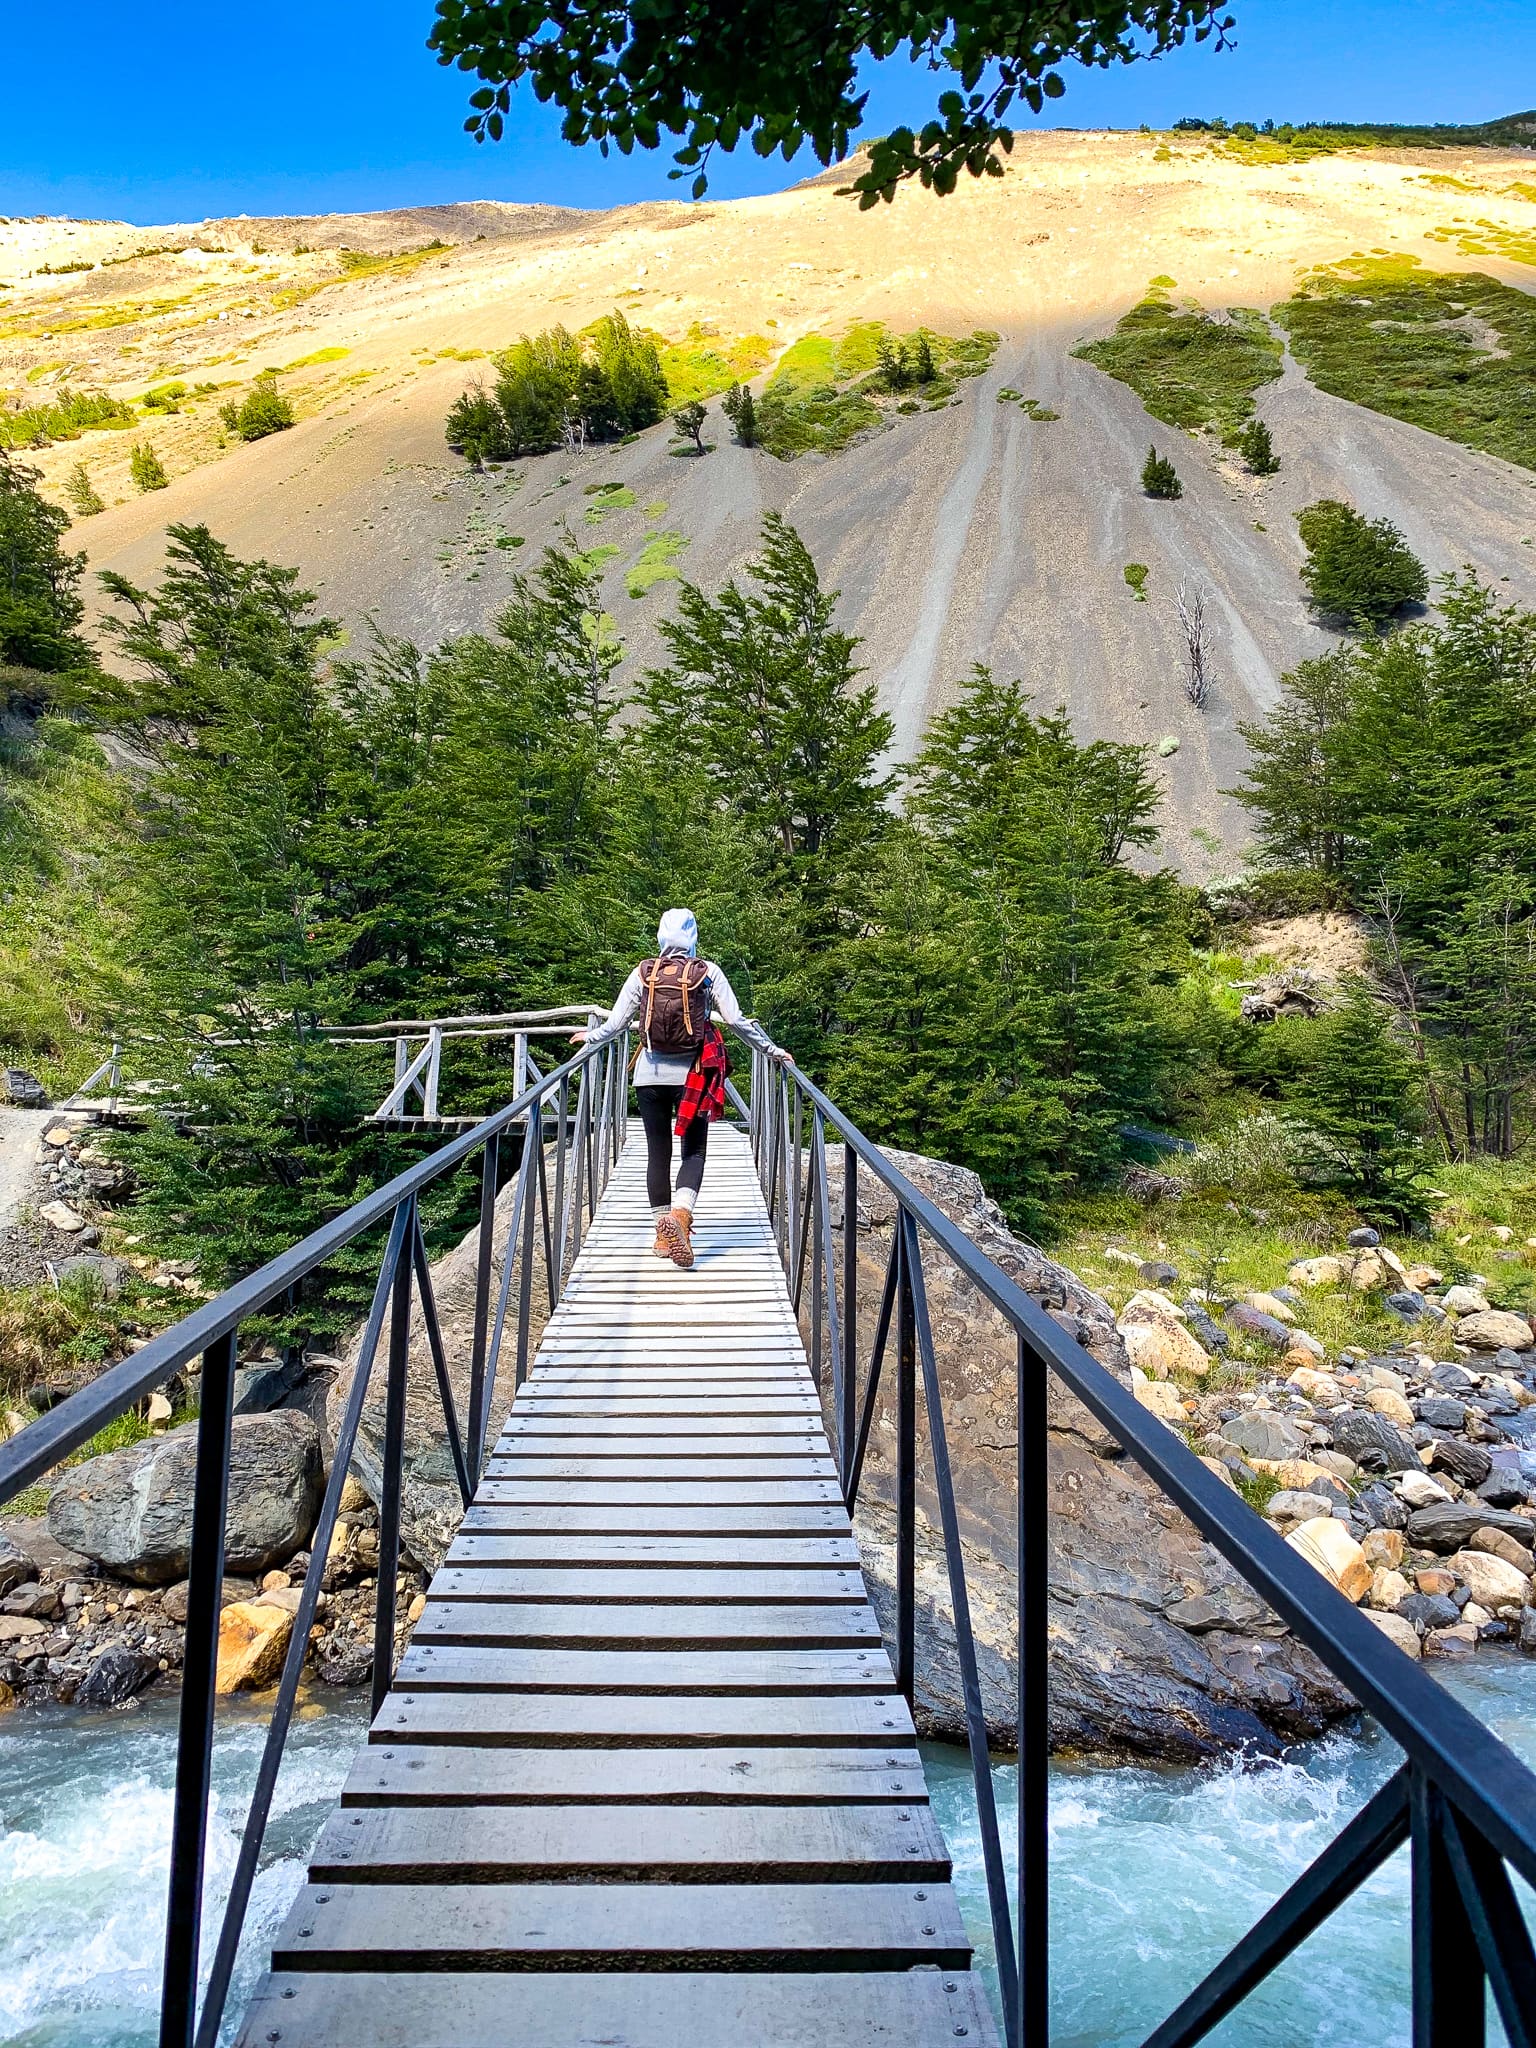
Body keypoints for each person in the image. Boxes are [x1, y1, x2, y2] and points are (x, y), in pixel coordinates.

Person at [576, 909, 787, 1268]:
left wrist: (588, 1038)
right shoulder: (707, 972)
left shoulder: (645, 973)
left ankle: (662, 1232)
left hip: (649, 1077)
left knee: (657, 1153)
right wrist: (771, 1049)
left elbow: (614, 1024)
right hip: (692, 1076)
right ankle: (681, 1216)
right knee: (693, 1152)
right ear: (693, 937)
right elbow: (735, 1020)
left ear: (661, 937)